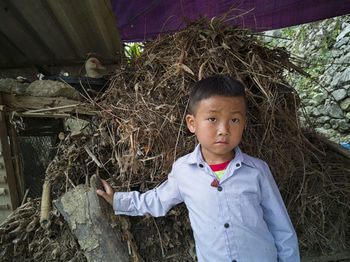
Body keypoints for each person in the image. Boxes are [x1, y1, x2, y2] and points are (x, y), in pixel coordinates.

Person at [97, 75, 300, 262]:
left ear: (244, 123)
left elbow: (281, 229)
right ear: (192, 123)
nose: (224, 130)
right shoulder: (184, 170)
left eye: (235, 120)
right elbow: (158, 200)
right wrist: (119, 200)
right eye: (212, 119)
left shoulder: (257, 171)